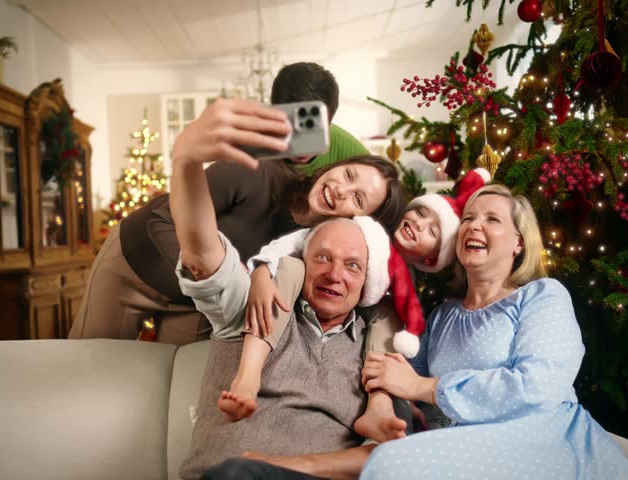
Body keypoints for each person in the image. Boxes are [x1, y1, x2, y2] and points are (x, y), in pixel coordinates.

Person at [68, 62, 405, 345]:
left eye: (357, 198)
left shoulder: (319, 231)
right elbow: (164, 220)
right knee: (89, 365)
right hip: (135, 260)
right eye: (346, 176)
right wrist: (225, 276)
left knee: (182, 380)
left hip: (193, 301)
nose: (343, 190)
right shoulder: (250, 166)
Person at [164, 98, 398, 479]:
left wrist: (285, 466)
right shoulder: (257, 305)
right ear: (302, 253)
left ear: (371, 277)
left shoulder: (374, 353)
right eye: (323, 257)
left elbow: (389, 454)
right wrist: (186, 160)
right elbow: (202, 253)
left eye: (353, 265)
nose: (334, 274)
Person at [357, 184, 628, 479]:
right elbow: (402, 375)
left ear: (519, 243)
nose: (474, 225)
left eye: (492, 219)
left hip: (549, 441)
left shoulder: (543, 296)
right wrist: (389, 400)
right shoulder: (443, 316)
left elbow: (538, 387)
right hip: (469, 447)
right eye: (468, 219)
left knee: (389, 463)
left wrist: (425, 389)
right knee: (385, 459)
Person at [215, 169, 493, 444]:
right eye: (420, 212)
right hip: (299, 287)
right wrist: (262, 271)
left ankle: (379, 407)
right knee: (291, 267)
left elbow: (410, 321)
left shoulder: (406, 280)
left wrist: (404, 399)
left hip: (358, 311)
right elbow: (296, 243)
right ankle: (249, 375)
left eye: (432, 230)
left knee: (389, 318)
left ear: (431, 258)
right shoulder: (359, 232)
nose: (419, 224)